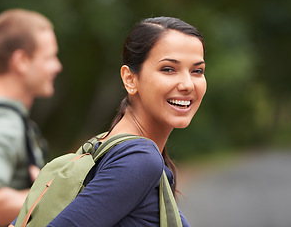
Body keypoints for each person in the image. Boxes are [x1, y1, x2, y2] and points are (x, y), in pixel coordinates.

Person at [44, 16, 206, 226]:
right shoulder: (138, 160)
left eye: (197, 71)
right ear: (130, 79)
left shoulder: (103, 145)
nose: (187, 84)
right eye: (168, 69)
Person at [0, 9, 62, 227]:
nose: (57, 66)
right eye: (50, 57)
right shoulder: (3, 123)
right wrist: (51, 192)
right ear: (21, 61)